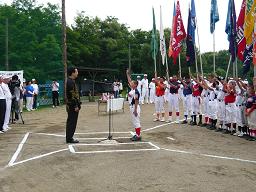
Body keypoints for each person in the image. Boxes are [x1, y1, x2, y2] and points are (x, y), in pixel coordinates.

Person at [66, 67, 81, 143]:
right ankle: (69, 138)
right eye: (76, 71)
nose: (77, 73)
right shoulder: (70, 82)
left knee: (71, 121)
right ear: (72, 73)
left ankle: (69, 137)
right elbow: (72, 95)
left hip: (72, 104)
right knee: (72, 121)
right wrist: (75, 105)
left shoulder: (71, 81)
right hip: (72, 105)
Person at [126, 69, 141, 141]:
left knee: (136, 121)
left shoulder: (136, 91)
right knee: (134, 121)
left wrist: (135, 110)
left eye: (132, 83)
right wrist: (127, 74)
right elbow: (129, 80)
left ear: (135, 85)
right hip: (132, 107)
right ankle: (137, 134)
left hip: (135, 107)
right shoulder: (132, 89)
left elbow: (136, 101)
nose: (130, 83)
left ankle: (138, 135)